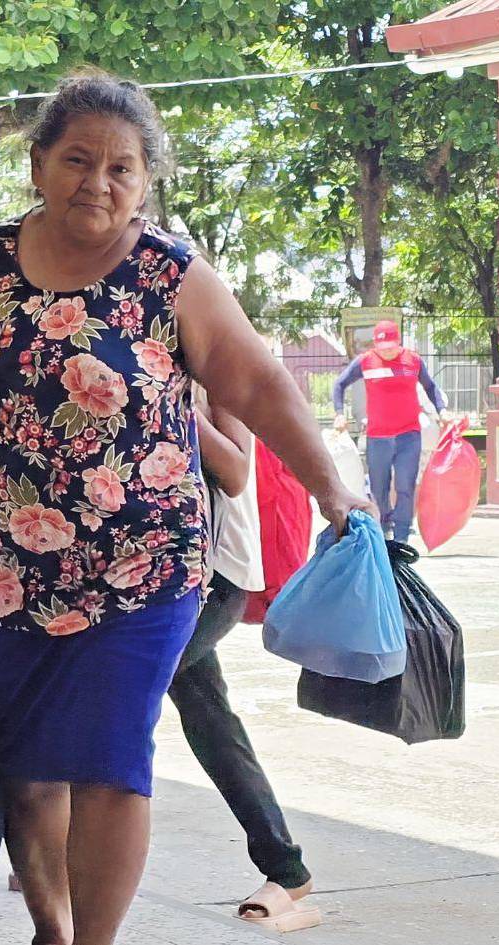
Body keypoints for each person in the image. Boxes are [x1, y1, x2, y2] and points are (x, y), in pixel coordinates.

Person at [0, 70, 374, 945]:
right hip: (10, 565)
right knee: (26, 768)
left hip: (145, 566)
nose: (99, 182)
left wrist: (330, 486)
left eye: (123, 168)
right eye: (78, 160)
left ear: (146, 181)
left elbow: (261, 383)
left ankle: (95, 942)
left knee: (113, 760)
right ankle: (52, 924)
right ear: (39, 165)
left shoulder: (171, 275)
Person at [168, 389, 320, 932]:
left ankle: (60, 850)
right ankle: (285, 864)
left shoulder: (209, 372)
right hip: (152, 579)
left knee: (115, 703)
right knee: (209, 719)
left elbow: (235, 469)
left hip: (214, 577)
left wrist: (173, 404)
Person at [332, 319, 450, 543]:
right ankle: (383, 528)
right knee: (379, 488)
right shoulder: (365, 362)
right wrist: (339, 413)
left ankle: (402, 535)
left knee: (405, 485)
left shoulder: (412, 361)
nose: (387, 353)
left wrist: (442, 411)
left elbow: (431, 387)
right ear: (375, 345)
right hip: (378, 437)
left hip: (408, 436)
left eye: (391, 348)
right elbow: (339, 385)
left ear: (399, 342)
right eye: (382, 348)